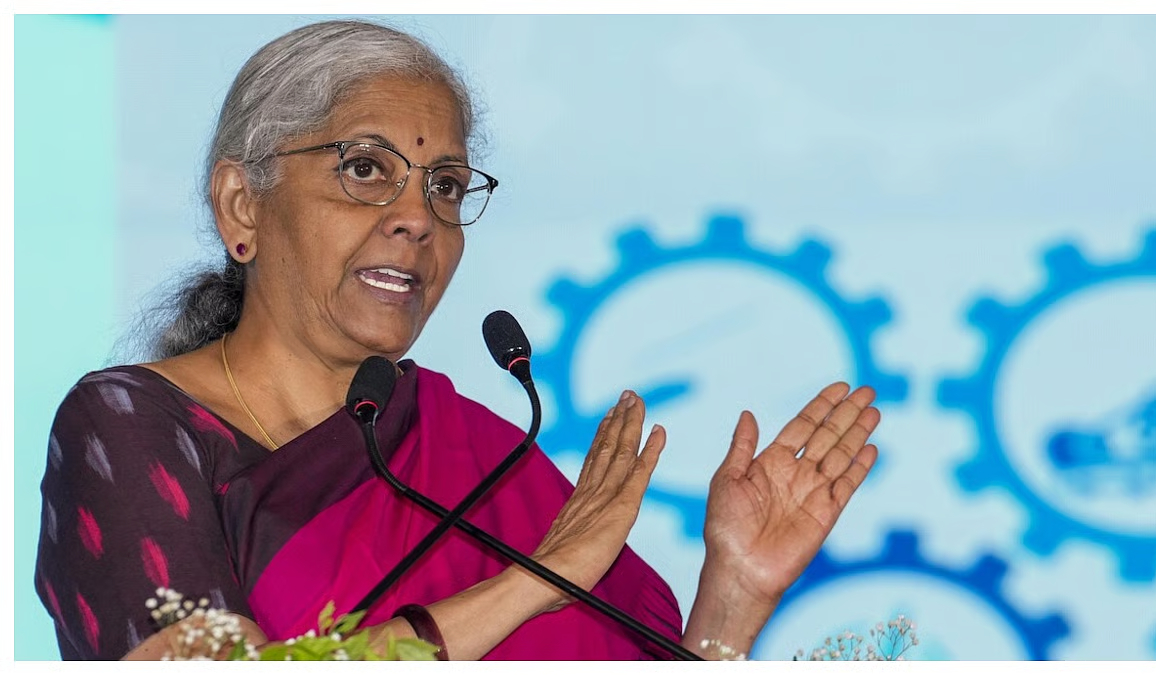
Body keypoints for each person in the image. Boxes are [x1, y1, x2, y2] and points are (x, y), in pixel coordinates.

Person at [34, 19, 881, 661]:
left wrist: (733, 592)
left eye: (444, 185)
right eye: (366, 168)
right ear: (241, 205)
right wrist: (530, 583)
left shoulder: (475, 457)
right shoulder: (129, 425)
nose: (418, 218)